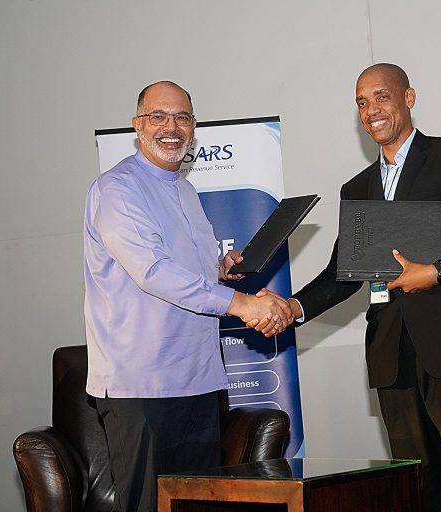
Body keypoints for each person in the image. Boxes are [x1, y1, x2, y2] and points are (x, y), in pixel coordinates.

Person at [285, 64, 441, 512]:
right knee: (420, 491)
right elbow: (342, 272)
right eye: (362, 102)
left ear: (408, 98)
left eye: (381, 97)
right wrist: (293, 307)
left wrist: (437, 271)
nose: (371, 110)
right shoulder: (358, 188)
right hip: (393, 359)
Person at [83, 80, 292, 512]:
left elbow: (179, 267)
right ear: (137, 125)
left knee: (199, 504)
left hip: (200, 378)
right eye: (158, 116)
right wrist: (242, 305)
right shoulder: (117, 189)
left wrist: (219, 269)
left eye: (182, 117)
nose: (171, 127)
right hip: (143, 386)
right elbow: (153, 272)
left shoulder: (185, 189)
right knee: (148, 505)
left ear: (194, 126)